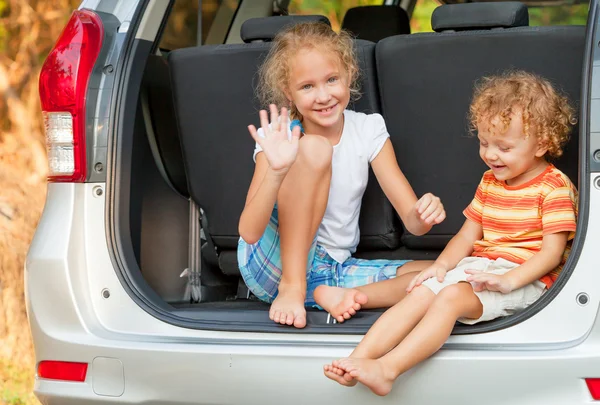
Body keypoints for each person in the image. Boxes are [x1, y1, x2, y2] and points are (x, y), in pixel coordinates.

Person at [323, 70, 578, 395]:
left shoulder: (554, 188)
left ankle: (389, 369)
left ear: (542, 143)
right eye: (484, 142)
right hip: (482, 269)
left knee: (450, 297)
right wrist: (439, 268)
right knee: (421, 291)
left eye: (504, 146)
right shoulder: (490, 182)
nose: (490, 154)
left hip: (527, 278)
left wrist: (509, 280)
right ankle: (357, 360)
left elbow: (552, 254)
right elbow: (466, 237)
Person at [237, 21, 446, 329]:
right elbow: (250, 232)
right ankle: (294, 287)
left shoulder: (368, 129)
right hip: (273, 264)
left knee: (445, 274)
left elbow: (413, 223)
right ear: (288, 93)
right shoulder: (279, 136)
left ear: (349, 74)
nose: (323, 96)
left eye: (332, 79)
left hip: (333, 267)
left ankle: (337, 294)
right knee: (315, 148)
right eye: (307, 87)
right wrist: (277, 171)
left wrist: (424, 214)